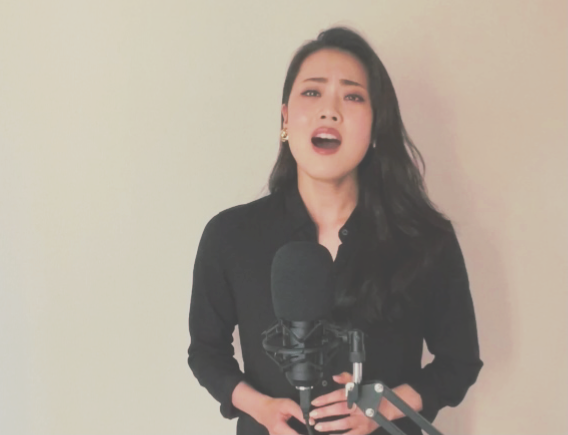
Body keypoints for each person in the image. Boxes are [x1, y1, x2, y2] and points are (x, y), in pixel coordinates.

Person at [187, 27, 483, 435]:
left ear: (376, 125)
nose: (330, 111)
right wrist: (261, 409)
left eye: (352, 96)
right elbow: (206, 352)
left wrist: (384, 406)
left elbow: (458, 362)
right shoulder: (230, 236)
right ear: (285, 118)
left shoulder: (424, 239)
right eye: (312, 92)